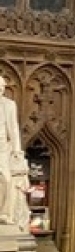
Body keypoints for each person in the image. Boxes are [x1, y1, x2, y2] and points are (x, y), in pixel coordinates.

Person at [0, 76, 24, 225]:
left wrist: (17, 149)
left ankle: (5, 213)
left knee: (6, 179)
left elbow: (14, 129)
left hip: (2, 147)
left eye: (2, 87)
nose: (1, 90)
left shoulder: (9, 105)